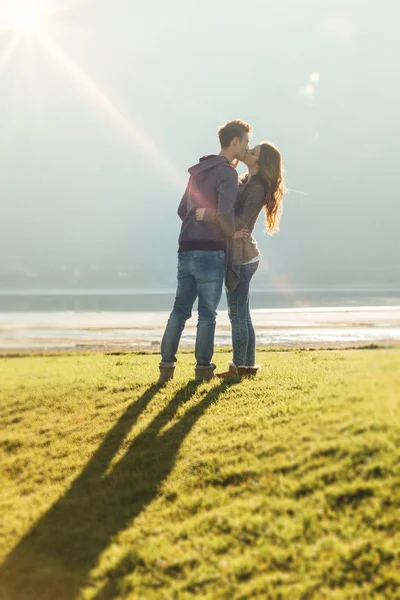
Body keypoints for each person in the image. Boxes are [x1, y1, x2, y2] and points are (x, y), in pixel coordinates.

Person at [158, 120, 252, 383]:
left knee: (179, 310)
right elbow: (225, 213)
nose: (247, 147)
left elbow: (181, 210)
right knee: (207, 314)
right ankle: (202, 371)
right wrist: (230, 231)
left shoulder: (198, 171)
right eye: (245, 142)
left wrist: (195, 227)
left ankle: (166, 368)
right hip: (210, 252)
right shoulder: (227, 174)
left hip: (185, 247)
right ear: (234, 142)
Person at [196, 141, 285, 378]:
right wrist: (231, 170)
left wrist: (209, 215)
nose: (248, 151)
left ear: (260, 162)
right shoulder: (248, 181)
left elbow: (238, 221)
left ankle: (238, 368)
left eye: (253, 152)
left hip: (242, 256)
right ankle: (246, 367)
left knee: (237, 314)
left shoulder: (256, 187)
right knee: (243, 314)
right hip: (243, 254)